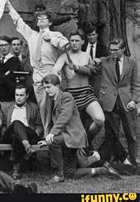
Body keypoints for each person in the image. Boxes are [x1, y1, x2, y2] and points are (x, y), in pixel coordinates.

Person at [1, 0, 68, 131]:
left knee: (55, 106)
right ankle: (47, 133)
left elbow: (66, 46)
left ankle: (57, 134)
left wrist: (52, 39)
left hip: (51, 73)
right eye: (39, 19)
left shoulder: (56, 34)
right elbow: (17, 20)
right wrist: (8, 4)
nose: (41, 20)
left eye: (44, 18)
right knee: (43, 107)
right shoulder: (31, 35)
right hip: (37, 74)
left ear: (49, 22)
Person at [41, 74, 121, 182]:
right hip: (66, 137)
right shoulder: (52, 100)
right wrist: (47, 139)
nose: (46, 90)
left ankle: (58, 175)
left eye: (49, 87)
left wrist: (52, 134)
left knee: (54, 142)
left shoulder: (66, 96)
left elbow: (64, 116)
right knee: (70, 172)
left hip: (74, 136)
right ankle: (101, 170)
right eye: (44, 88)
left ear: (57, 86)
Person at [52, 30, 105, 145]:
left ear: (82, 42)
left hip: (87, 93)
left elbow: (92, 71)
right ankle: (77, 145)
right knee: (70, 127)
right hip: (72, 95)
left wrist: (78, 67)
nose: (74, 43)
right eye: (72, 41)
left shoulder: (87, 55)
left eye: (77, 40)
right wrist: (57, 76)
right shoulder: (64, 56)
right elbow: (55, 70)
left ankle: (87, 139)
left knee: (100, 119)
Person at [98, 38, 139, 168]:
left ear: (123, 49)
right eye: (111, 50)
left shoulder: (132, 63)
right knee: (111, 134)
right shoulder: (104, 62)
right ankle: (113, 161)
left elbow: (136, 84)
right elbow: (90, 69)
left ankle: (134, 161)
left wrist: (134, 100)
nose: (112, 52)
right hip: (109, 102)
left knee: (131, 134)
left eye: (116, 50)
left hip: (127, 102)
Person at [1, 85, 43, 179]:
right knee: (16, 123)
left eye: (21, 95)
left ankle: (16, 169)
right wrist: (3, 133)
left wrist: (36, 134)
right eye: (16, 95)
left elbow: (39, 126)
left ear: (27, 96)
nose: (18, 98)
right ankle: (27, 148)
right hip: (10, 134)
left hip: (28, 134)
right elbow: (4, 125)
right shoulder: (8, 107)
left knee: (18, 135)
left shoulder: (33, 107)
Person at [0, 36, 21, 113]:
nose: (4, 47)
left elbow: (9, 79)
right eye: (1, 45)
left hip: (9, 100)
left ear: (10, 46)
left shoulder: (15, 61)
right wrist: (3, 76)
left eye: (6, 45)